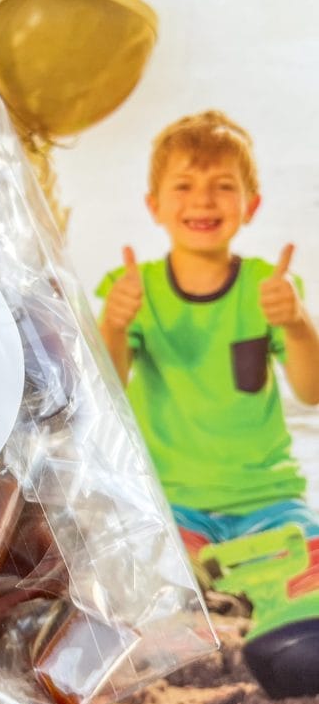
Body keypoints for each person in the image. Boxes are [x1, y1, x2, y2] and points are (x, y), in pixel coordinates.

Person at [97, 110, 319, 561]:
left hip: (269, 500)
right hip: (170, 501)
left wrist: (296, 324)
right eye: (183, 186)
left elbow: (311, 391)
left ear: (250, 205)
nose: (203, 200)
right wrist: (114, 327)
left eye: (223, 186)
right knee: (161, 586)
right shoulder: (133, 286)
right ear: (154, 205)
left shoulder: (269, 287)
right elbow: (106, 390)